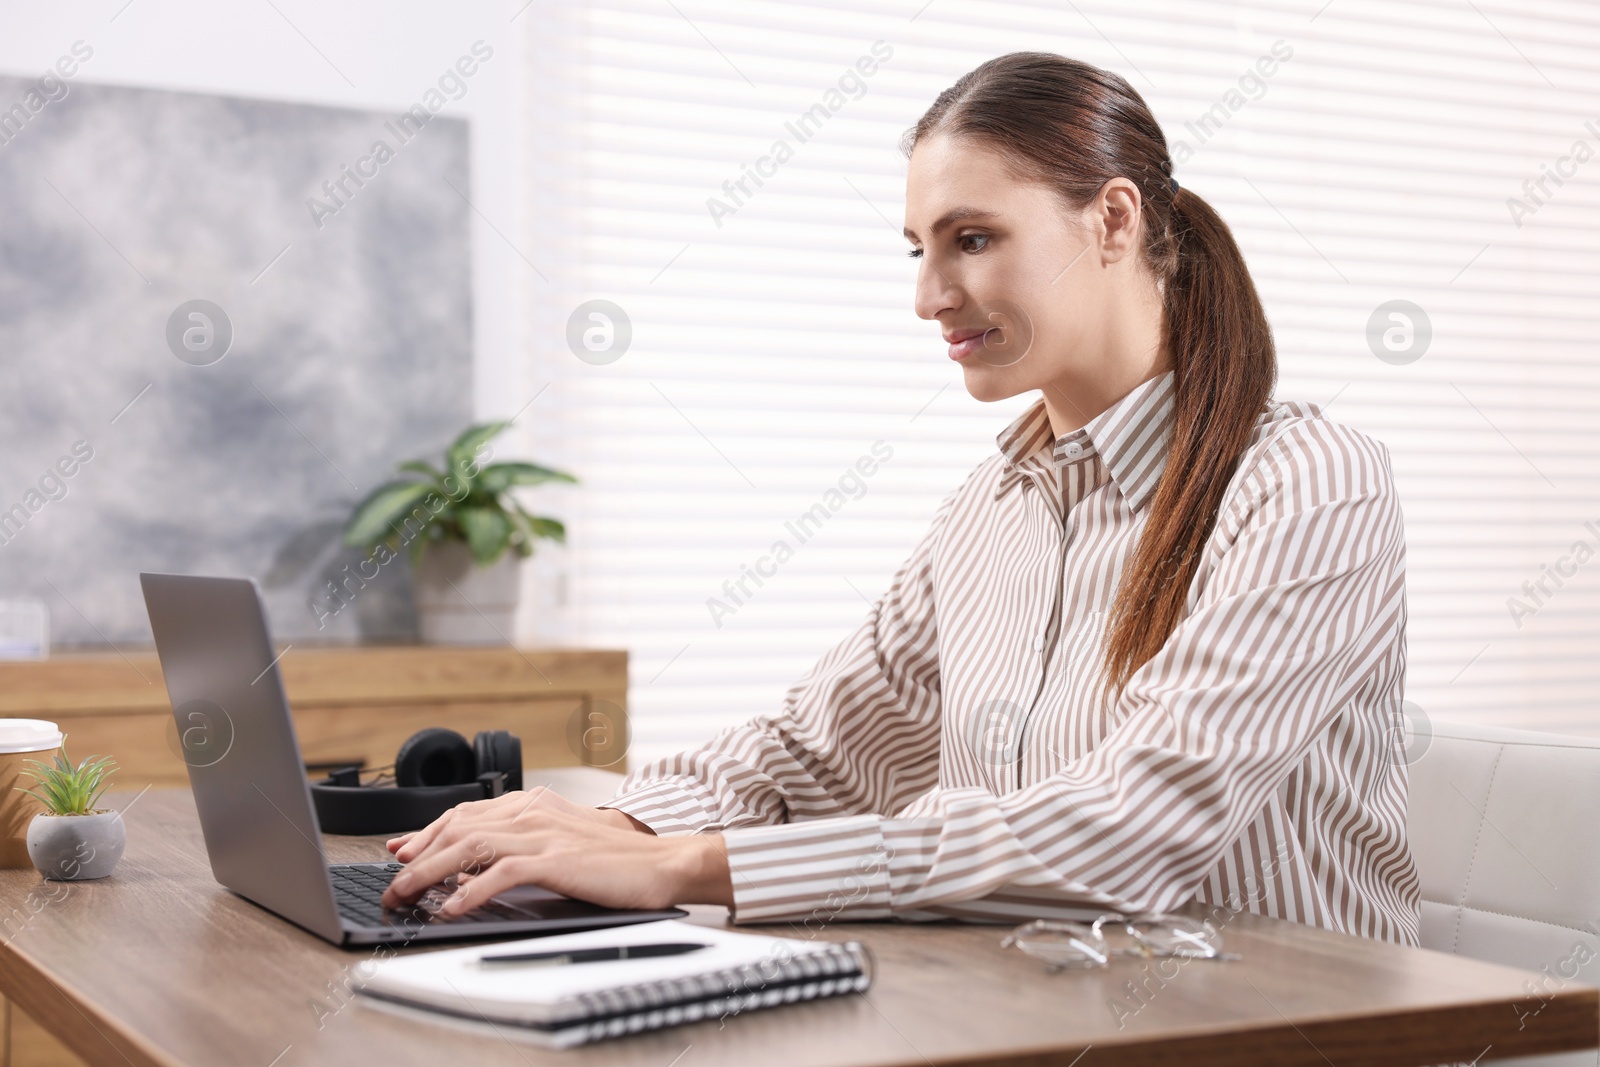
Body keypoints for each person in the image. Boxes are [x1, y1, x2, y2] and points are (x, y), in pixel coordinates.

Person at [382, 51, 1420, 946]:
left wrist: (686, 869)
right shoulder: (992, 507)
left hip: (1285, 1024)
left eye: (971, 239)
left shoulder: (1306, 483)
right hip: (1035, 1002)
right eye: (919, 248)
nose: (927, 296)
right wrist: (617, 828)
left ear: (1111, 218)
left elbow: (1133, 824)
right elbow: (813, 752)